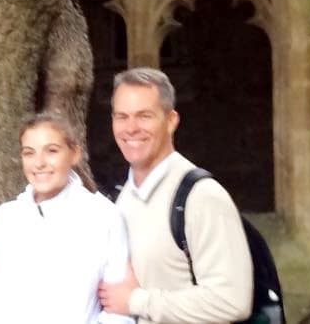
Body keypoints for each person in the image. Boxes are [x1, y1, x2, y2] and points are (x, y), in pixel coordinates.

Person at [98, 68, 253, 323]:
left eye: (144, 116)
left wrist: (137, 301)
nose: (131, 128)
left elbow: (231, 300)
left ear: (171, 121)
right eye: (121, 117)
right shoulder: (124, 197)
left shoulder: (201, 197)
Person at [0, 112, 133, 323]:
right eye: (29, 153)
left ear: (74, 153)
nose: (39, 163)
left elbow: (119, 311)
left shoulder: (103, 217)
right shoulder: (5, 218)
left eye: (51, 151)